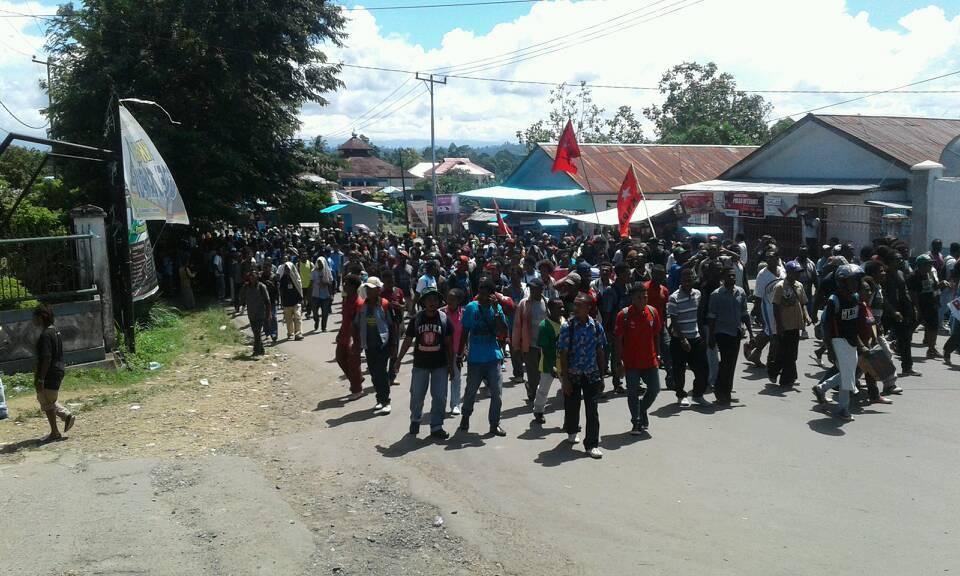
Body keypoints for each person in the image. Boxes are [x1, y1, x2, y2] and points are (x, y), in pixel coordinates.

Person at [395, 287, 453, 440]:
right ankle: (415, 419)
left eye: (435, 300)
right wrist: (399, 359)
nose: (432, 303)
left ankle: (437, 426)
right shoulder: (416, 319)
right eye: (429, 300)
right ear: (423, 302)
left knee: (440, 396)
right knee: (417, 395)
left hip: (440, 365)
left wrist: (451, 366)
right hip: (420, 365)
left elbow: (448, 344)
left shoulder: (444, 319)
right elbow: (408, 340)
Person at [812, 264, 865, 420]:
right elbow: (826, 327)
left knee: (848, 373)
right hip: (838, 341)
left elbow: (854, 324)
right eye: (852, 281)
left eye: (857, 280)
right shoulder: (833, 300)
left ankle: (821, 388)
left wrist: (859, 342)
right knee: (848, 374)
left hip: (851, 340)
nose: (855, 284)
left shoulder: (855, 298)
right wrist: (829, 348)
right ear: (842, 282)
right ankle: (843, 408)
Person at [558, 293, 606, 459]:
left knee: (592, 410)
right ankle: (572, 431)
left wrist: (602, 375)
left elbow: (600, 350)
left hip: (591, 374)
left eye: (580, 305)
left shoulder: (596, 326)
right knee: (572, 407)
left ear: (588, 308)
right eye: (575, 305)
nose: (575, 308)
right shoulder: (567, 327)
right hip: (573, 375)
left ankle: (592, 444)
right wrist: (565, 380)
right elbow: (563, 354)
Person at [459, 279, 509, 436]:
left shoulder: (497, 308)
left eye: (484, 291)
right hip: (475, 358)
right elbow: (464, 331)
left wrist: (496, 310)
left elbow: (503, 331)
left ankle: (494, 424)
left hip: (493, 356)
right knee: (471, 391)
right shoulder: (471, 307)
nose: (480, 294)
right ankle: (466, 416)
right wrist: (461, 352)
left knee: (497, 393)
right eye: (480, 290)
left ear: (491, 294)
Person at [615, 283, 662, 435]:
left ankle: (641, 410)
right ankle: (636, 421)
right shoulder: (624, 315)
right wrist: (619, 361)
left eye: (645, 297)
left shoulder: (653, 312)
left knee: (655, 389)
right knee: (632, 392)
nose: (643, 300)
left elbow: (657, 336)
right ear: (632, 298)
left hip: (650, 360)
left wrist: (659, 354)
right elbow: (618, 339)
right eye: (639, 297)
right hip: (631, 362)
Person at [707, 267, 753, 406]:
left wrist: (751, 333)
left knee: (731, 364)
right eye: (729, 276)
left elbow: (744, 313)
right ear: (723, 278)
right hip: (722, 333)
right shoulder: (716, 295)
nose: (732, 278)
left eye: (733, 276)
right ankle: (721, 393)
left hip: (736, 332)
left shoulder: (740, 292)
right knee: (726, 363)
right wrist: (711, 336)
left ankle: (726, 391)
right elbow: (711, 317)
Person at [667, 268, 710, 407]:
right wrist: (682, 339)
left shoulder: (697, 294)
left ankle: (698, 395)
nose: (687, 282)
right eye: (685, 279)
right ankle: (681, 395)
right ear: (681, 281)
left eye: (690, 279)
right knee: (679, 370)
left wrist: (702, 334)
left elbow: (698, 316)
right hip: (679, 339)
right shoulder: (674, 297)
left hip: (696, 337)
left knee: (702, 369)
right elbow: (674, 321)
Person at [33, 304, 75, 441]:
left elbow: (46, 357)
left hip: (49, 372)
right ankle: (64, 418)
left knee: (46, 400)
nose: (33, 320)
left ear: (42, 317)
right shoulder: (55, 331)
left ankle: (55, 431)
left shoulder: (45, 335)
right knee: (47, 399)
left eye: (35, 317)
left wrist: (41, 379)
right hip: (58, 369)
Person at [353, 277, 395, 415]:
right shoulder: (363, 306)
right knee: (374, 374)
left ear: (378, 290)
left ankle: (386, 401)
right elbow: (357, 324)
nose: (368, 291)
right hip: (369, 346)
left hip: (382, 345)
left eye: (371, 288)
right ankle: (379, 399)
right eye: (367, 288)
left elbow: (391, 325)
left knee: (381, 373)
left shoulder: (384, 304)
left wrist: (393, 346)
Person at [770, 261, 810, 387]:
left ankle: (782, 375)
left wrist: (807, 315)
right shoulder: (780, 286)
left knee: (791, 353)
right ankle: (784, 378)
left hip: (796, 324)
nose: (798, 275)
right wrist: (779, 325)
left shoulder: (799, 285)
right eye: (795, 273)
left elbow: (803, 303)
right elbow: (775, 306)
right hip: (784, 325)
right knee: (785, 353)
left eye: (799, 273)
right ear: (789, 273)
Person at [513, 277, 547, 402]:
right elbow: (517, 326)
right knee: (533, 376)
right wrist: (516, 346)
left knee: (544, 375)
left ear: (541, 289)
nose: (532, 291)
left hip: (545, 346)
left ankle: (536, 393)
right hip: (530, 346)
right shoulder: (524, 304)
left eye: (535, 288)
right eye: (531, 288)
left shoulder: (547, 303)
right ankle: (533, 394)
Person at [532, 298, 565, 423]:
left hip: (564, 362)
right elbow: (545, 349)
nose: (562, 310)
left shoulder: (564, 321)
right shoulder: (544, 325)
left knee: (568, 388)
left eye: (562, 307)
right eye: (558, 308)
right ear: (550, 309)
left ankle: (570, 419)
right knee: (543, 389)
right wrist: (552, 366)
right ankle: (539, 410)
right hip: (548, 363)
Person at [908, 254, 945, 359]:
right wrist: (917, 309)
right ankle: (899, 344)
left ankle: (932, 349)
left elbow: (933, 287)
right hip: (920, 306)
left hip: (931, 305)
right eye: (928, 264)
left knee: (933, 327)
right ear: (921, 265)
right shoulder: (913, 277)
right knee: (911, 327)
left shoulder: (929, 274)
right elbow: (912, 294)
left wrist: (940, 285)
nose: (930, 266)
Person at [336, 274, 365, 399]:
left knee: (353, 362)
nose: (344, 286)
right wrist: (340, 332)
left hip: (354, 337)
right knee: (340, 357)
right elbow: (345, 320)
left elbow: (359, 325)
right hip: (344, 335)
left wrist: (356, 341)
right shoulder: (347, 300)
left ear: (353, 287)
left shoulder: (359, 303)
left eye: (346, 284)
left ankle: (357, 389)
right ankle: (357, 379)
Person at [444, 288, 465, 414]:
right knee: (441, 379)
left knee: (456, 378)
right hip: (442, 353)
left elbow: (465, 334)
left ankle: (455, 404)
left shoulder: (463, 314)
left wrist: (465, 349)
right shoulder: (441, 312)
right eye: (448, 298)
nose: (450, 301)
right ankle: (440, 404)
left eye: (453, 299)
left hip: (457, 351)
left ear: (459, 301)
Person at [241, 271, 272, 356]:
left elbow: (267, 301)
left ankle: (256, 350)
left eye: (253, 276)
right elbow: (242, 297)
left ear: (257, 277)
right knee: (255, 332)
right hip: (251, 313)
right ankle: (261, 349)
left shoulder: (262, 287)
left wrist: (269, 313)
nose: (252, 278)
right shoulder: (246, 286)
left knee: (257, 332)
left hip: (260, 313)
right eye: (250, 276)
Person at [277, 258, 304, 341]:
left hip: (296, 302)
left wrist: (301, 299)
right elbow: (280, 290)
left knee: (298, 317)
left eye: (288, 269)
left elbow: (299, 289)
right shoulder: (282, 279)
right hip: (286, 303)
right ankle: (290, 333)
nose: (287, 270)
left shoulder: (296, 278)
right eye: (285, 269)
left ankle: (298, 333)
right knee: (288, 320)